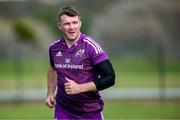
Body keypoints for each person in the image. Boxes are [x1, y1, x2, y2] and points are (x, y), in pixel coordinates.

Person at [45, 6, 115, 120]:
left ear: (80, 24)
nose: (72, 27)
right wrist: (50, 93)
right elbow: (52, 69)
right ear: (60, 26)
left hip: (90, 112)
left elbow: (110, 77)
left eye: (75, 22)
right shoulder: (54, 48)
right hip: (63, 111)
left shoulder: (91, 47)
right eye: (67, 24)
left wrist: (80, 88)